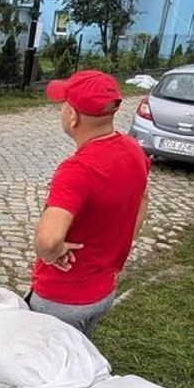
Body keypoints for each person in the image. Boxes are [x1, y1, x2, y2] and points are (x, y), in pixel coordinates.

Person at [29, 69, 150, 336]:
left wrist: (52, 252)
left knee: (47, 367)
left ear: (73, 116)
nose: (61, 111)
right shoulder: (133, 150)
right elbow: (142, 202)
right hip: (103, 293)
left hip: (60, 300)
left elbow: (48, 240)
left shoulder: (77, 170)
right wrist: (117, 242)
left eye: (64, 105)